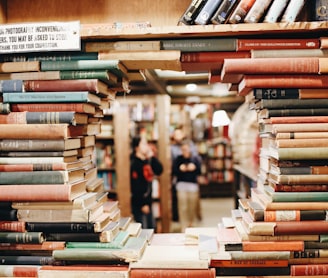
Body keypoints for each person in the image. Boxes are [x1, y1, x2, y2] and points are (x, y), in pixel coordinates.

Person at [130, 136, 163, 229]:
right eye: (144, 144)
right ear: (137, 147)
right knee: (143, 230)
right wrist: (142, 204)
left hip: (148, 202)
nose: (147, 146)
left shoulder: (147, 161)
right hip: (139, 203)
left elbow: (159, 170)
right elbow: (135, 186)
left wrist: (152, 156)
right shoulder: (134, 163)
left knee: (151, 228)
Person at [170, 127, 202, 222]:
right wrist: (180, 168)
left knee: (191, 207)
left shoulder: (195, 158)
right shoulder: (176, 154)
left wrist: (194, 167)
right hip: (181, 184)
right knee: (182, 207)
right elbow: (174, 169)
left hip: (192, 184)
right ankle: (184, 226)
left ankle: (191, 223)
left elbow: (199, 170)